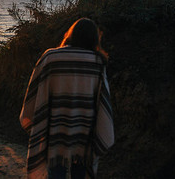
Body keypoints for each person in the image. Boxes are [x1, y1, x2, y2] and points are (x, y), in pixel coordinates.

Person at [19, 18, 114, 179]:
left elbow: (35, 92)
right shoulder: (97, 62)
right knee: (81, 171)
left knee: (56, 169)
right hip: (84, 129)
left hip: (55, 128)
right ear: (94, 38)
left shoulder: (50, 57)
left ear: (71, 34)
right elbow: (102, 101)